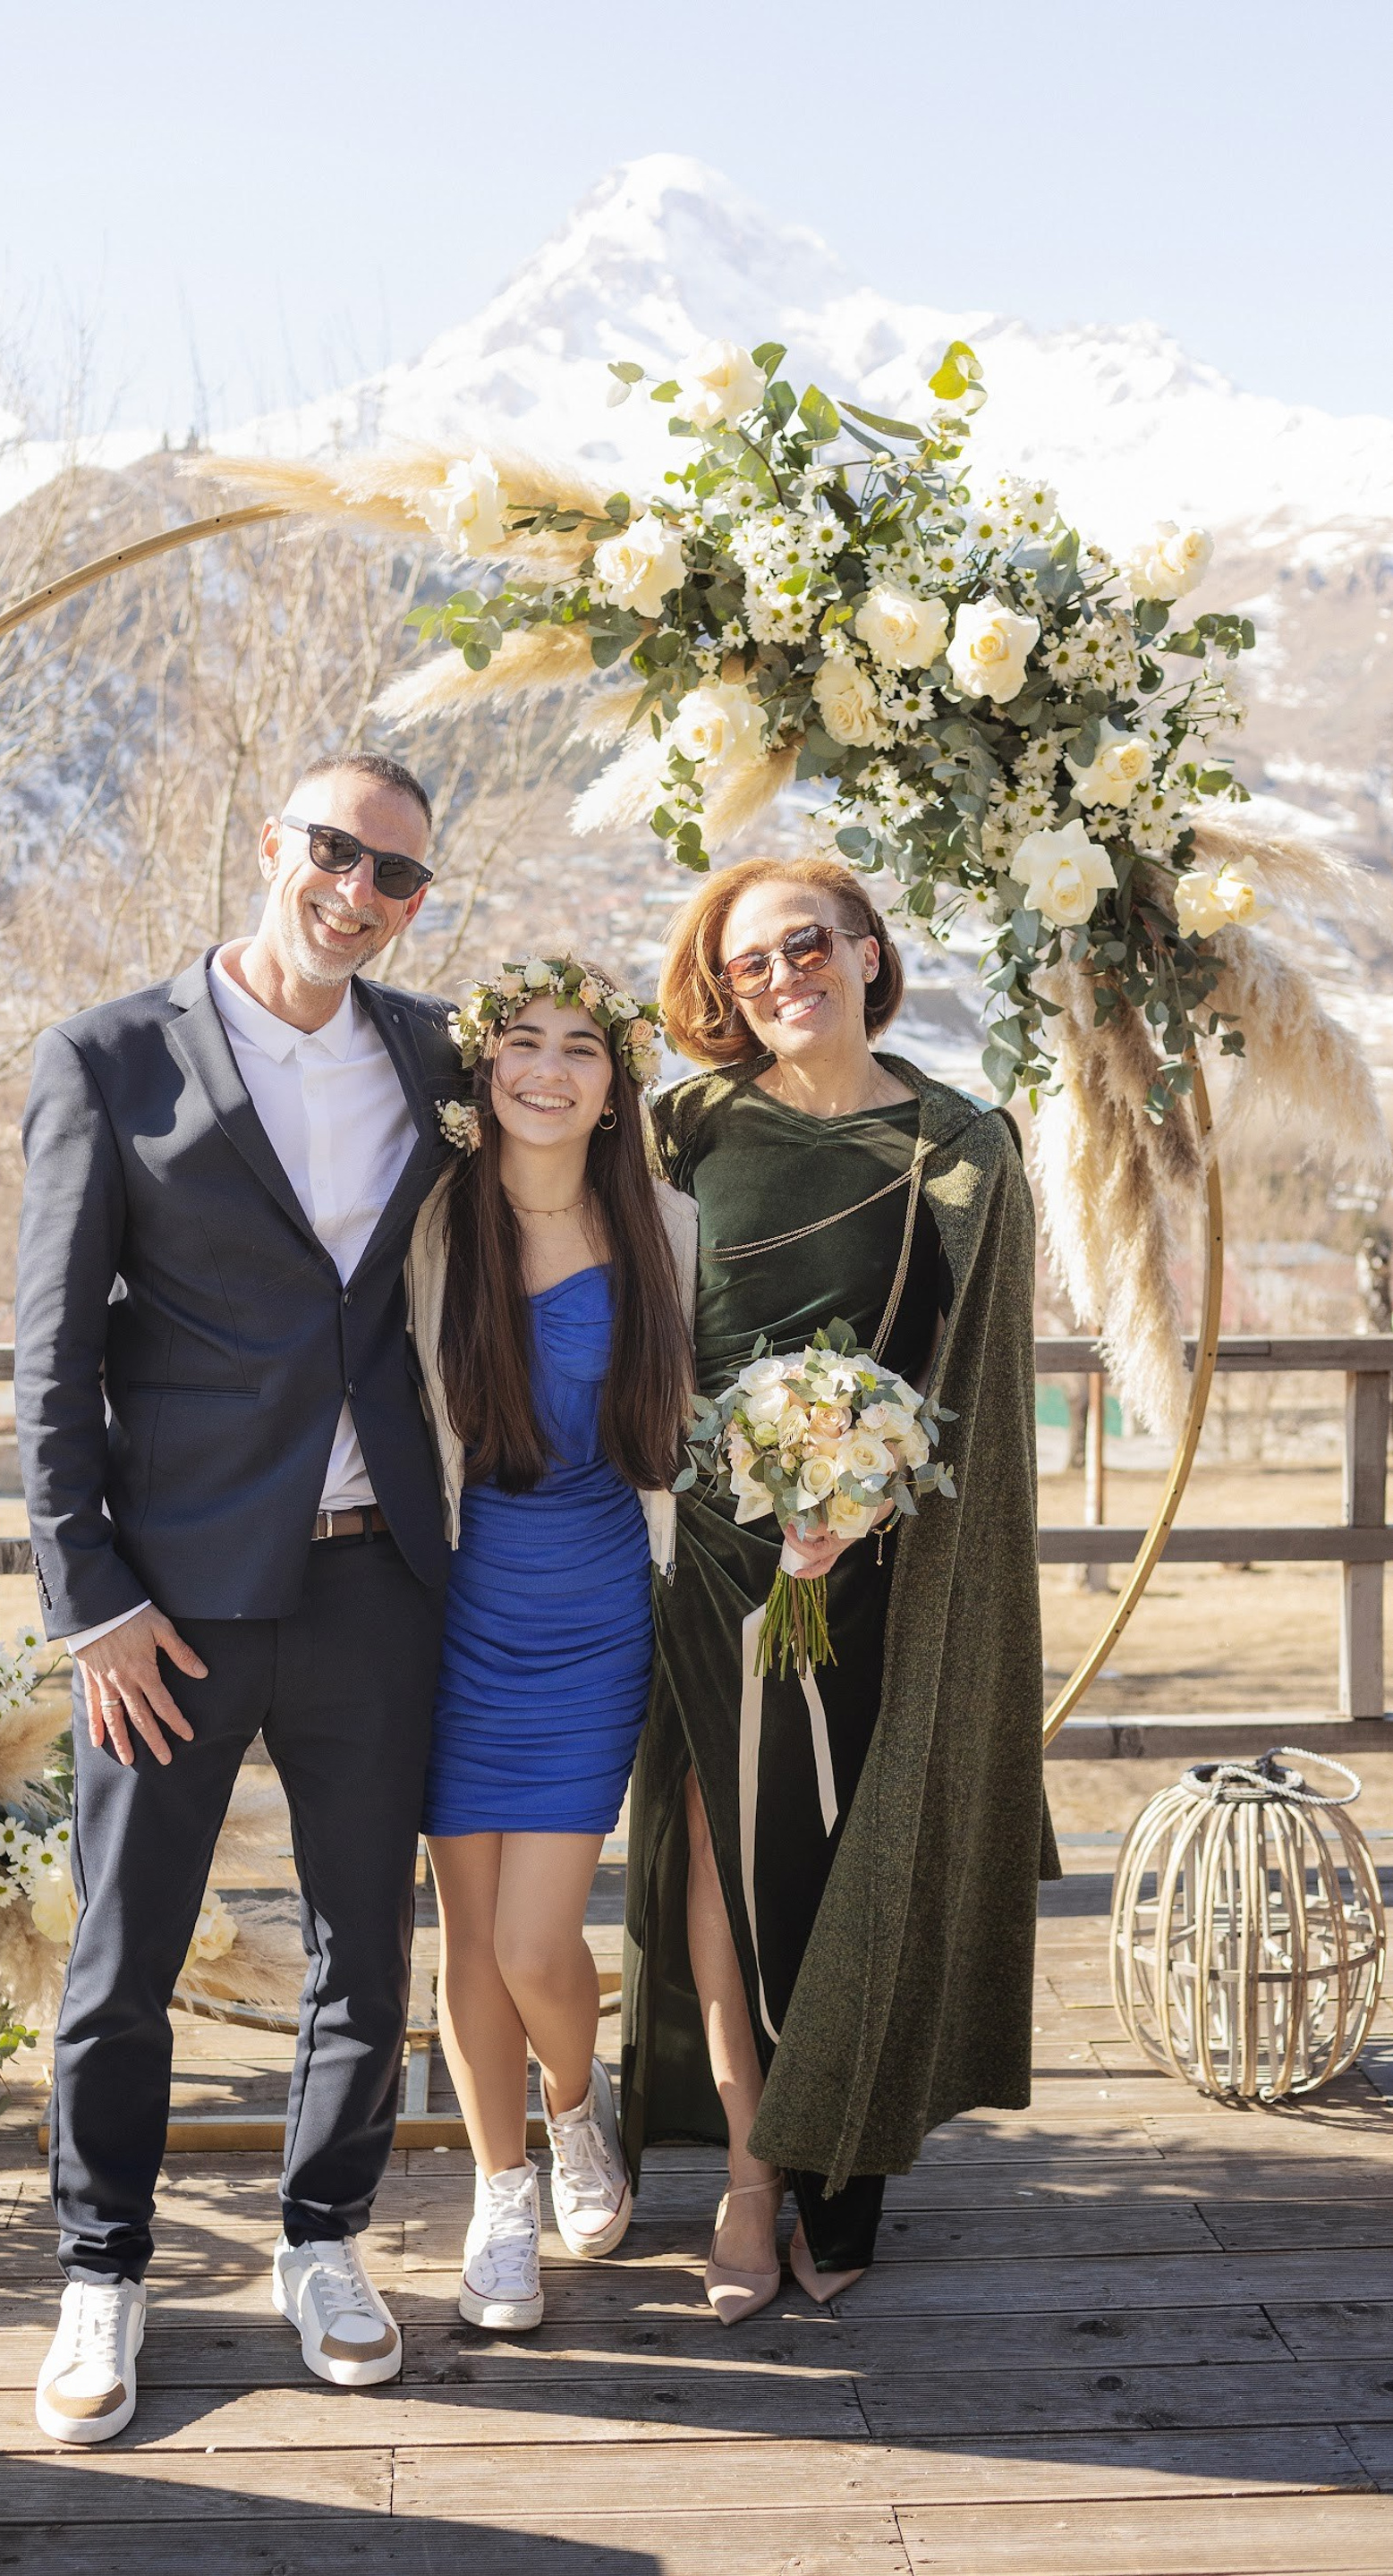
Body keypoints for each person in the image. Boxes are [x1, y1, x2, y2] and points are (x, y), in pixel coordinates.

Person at [15, 750, 463, 2442]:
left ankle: (325, 2241)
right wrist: (91, 1599)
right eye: (337, 852)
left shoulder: (435, 1056)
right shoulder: (109, 1057)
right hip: (170, 1606)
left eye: (398, 875)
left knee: (369, 1944)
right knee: (123, 1954)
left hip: (378, 1582)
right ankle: (102, 2269)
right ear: (275, 842)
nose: (359, 893)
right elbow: (54, 1356)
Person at [619, 853, 1058, 2324]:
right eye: (747, 964)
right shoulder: (682, 1127)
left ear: (870, 951)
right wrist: (724, 1474)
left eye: (806, 945)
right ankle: (753, 2174)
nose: (780, 977)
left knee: (844, 1860)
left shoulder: (962, 1146)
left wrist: (861, 1492)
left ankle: (847, 2156)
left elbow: (974, 1381)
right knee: (724, 1854)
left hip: (883, 1566)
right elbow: (630, 1331)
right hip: (712, 1551)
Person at [403, 958, 694, 2331]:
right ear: (485, 1068)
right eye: (524, 1041)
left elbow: (709, 1423)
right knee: (467, 1931)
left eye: (583, 1048)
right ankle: (499, 2190)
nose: (550, 1070)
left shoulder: (665, 1231)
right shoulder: (430, 1227)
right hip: (448, 1613)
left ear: (614, 1088)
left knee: (535, 1939)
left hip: (593, 1613)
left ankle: (578, 2111)